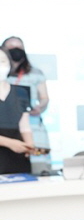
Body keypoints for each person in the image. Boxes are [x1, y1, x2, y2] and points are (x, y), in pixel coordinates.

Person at [2, 36, 50, 174]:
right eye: (11, 46)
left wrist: (39, 107)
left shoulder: (36, 73)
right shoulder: (5, 76)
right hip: (8, 129)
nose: (15, 49)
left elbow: (44, 97)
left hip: (32, 124)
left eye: (19, 46)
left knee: (37, 165)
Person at [0, 48, 34, 174]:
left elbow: (24, 125)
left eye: (3, 61)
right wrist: (9, 143)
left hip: (17, 152)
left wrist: (29, 145)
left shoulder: (21, 92)